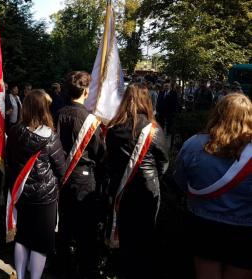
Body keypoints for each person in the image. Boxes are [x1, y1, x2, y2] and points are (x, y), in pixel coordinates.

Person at [173, 94, 252, 279]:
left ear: (217, 113)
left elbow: (180, 180)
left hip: (204, 225)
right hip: (245, 229)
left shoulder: (194, 144)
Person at [104, 83, 169, 279]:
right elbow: (164, 162)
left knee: (125, 231)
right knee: (145, 232)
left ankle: (122, 268)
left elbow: (110, 159)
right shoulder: (153, 129)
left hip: (120, 188)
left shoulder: (113, 127)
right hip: (147, 189)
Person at [5, 89, 66, 279]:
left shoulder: (14, 132)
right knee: (41, 243)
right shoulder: (51, 137)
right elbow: (61, 169)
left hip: (21, 194)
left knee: (22, 238)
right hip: (44, 198)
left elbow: (9, 159)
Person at [56, 72, 105, 278]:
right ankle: (86, 269)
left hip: (62, 174)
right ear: (86, 91)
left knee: (65, 224)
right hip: (84, 176)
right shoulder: (89, 119)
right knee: (86, 227)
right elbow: (99, 151)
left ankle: (63, 266)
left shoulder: (59, 113)